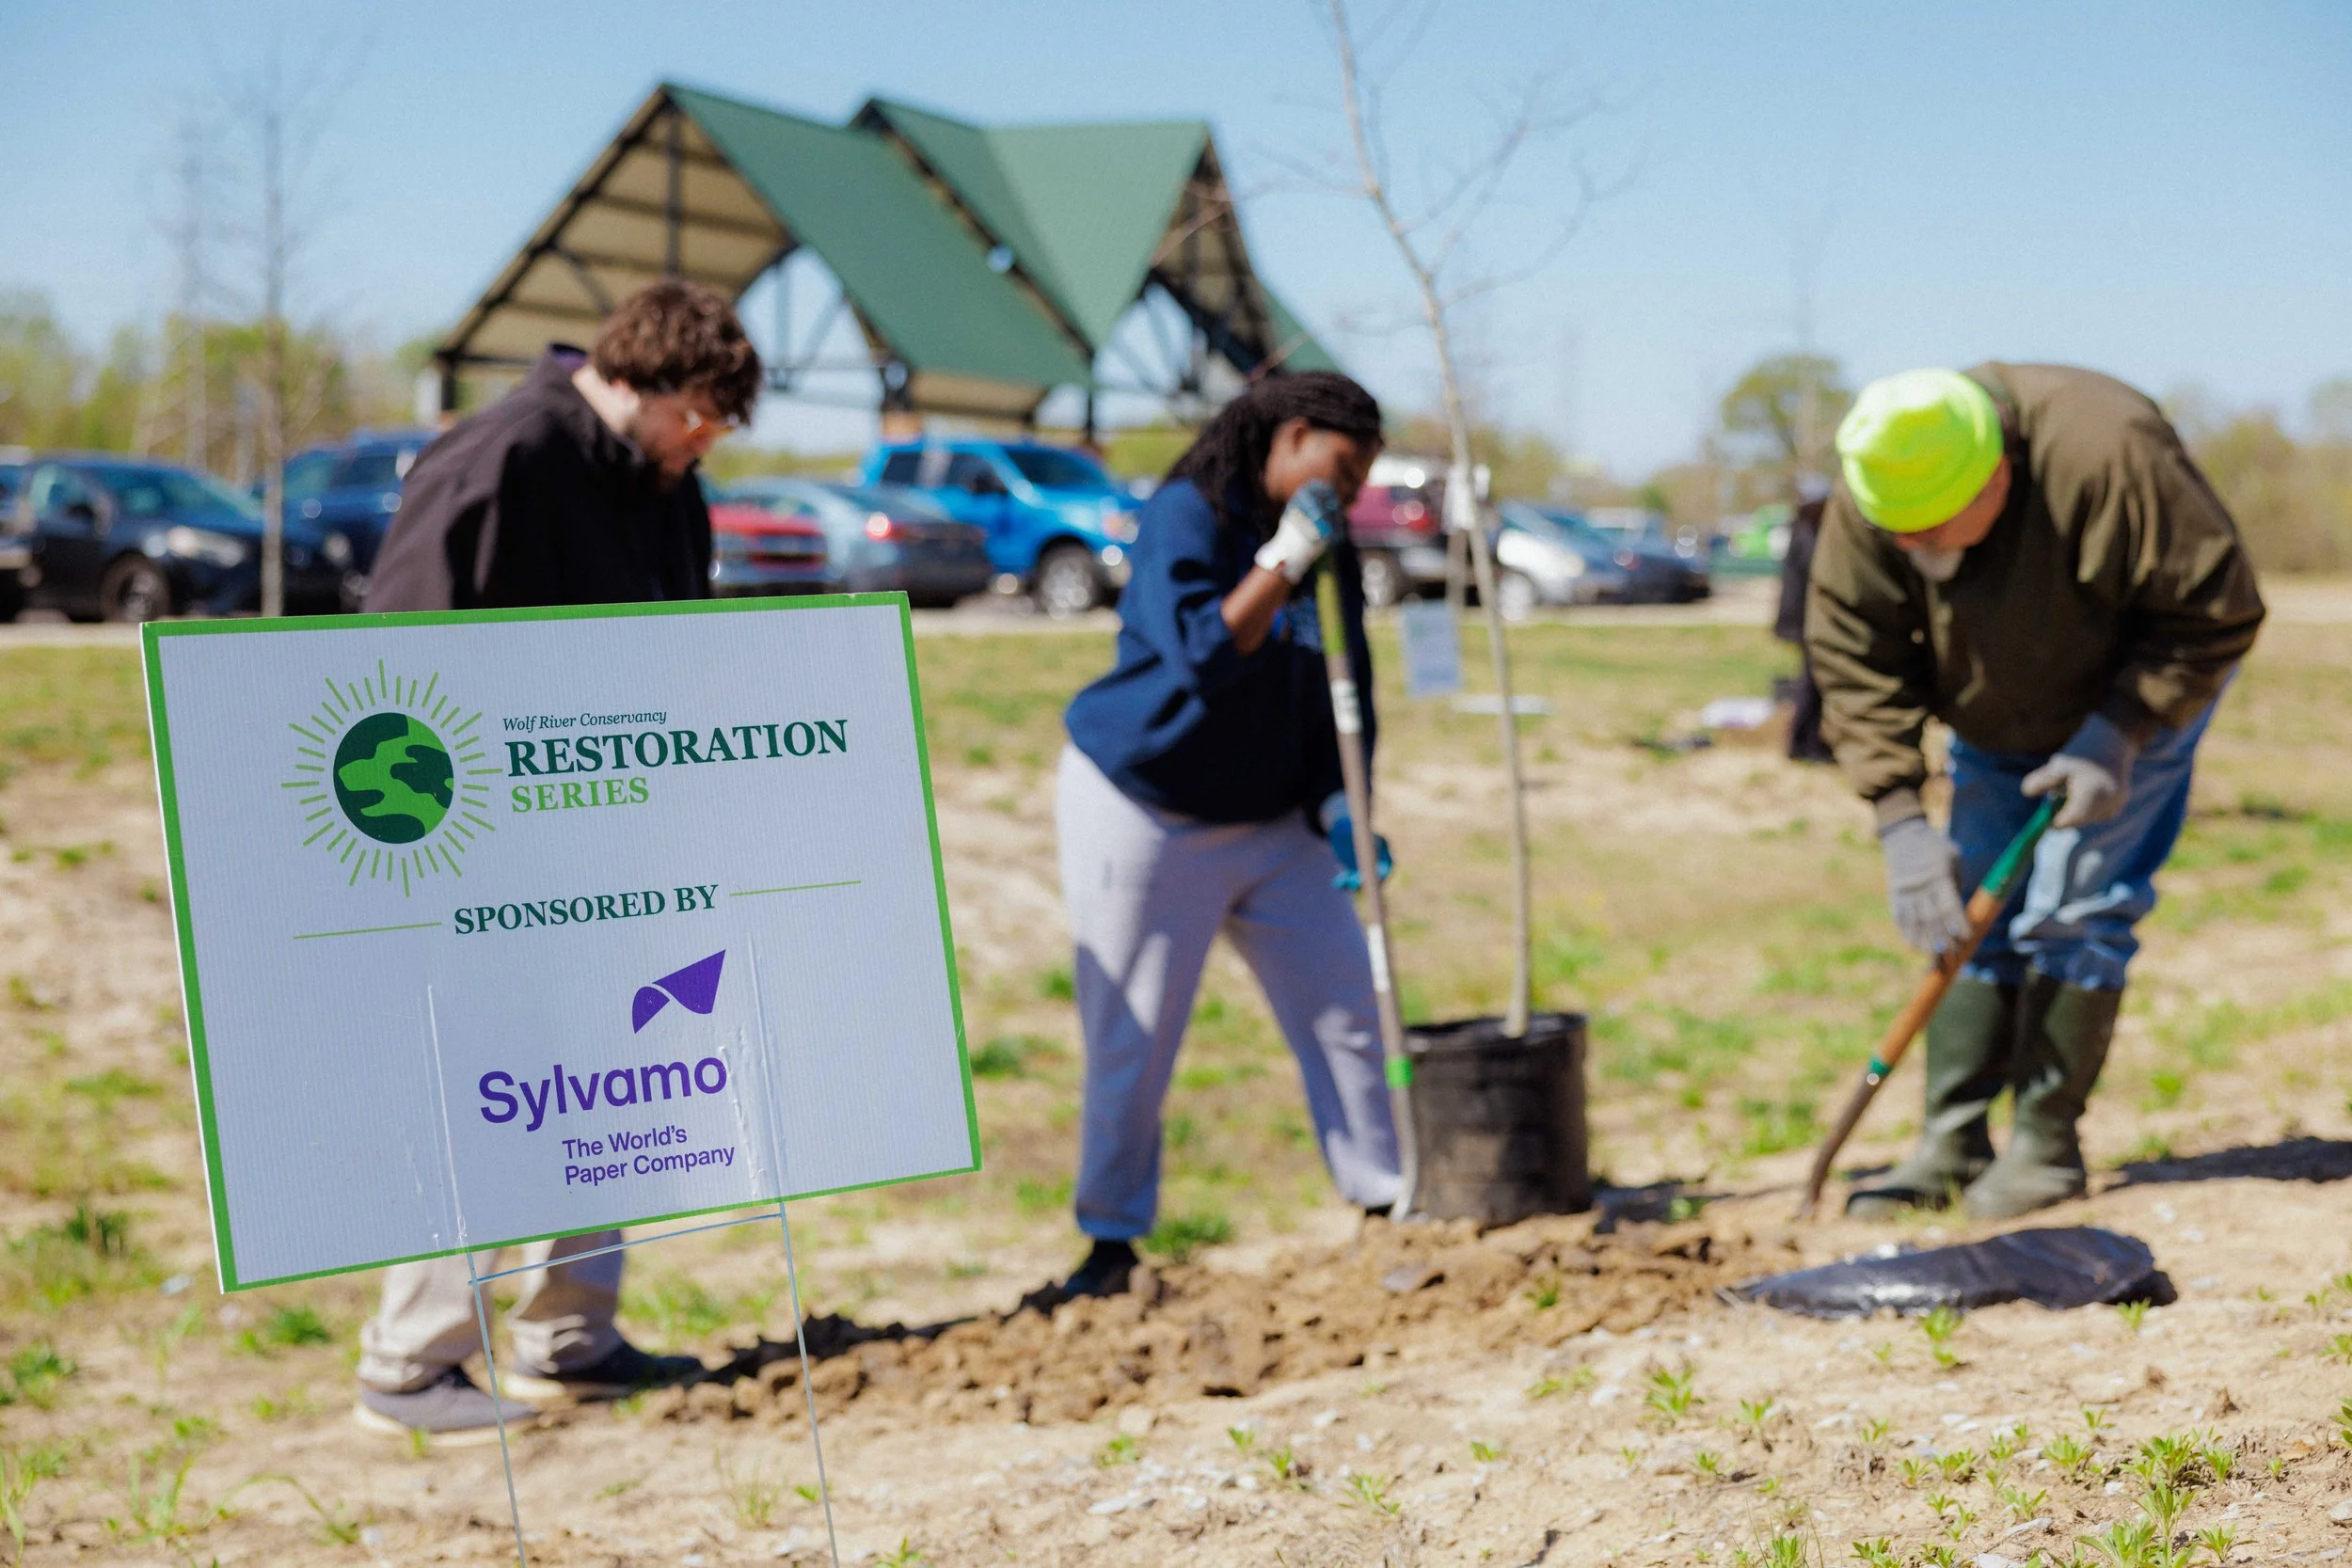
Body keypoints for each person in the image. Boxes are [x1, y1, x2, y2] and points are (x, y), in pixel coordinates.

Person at [352, 279, 761, 1440]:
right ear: (635, 378)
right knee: (488, 1092)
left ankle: (568, 1335)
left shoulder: (665, 483)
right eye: (698, 413)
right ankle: (408, 1363)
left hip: (611, 848)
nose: (707, 441)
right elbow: (393, 665)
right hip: (485, 855)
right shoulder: (501, 457)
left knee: (610, 1078)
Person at [1807, 364, 2264, 1221]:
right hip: (1994, 718)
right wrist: (1899, 817)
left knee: (2073, 904)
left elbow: (2217, 609)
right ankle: (1953, 1138)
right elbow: (1854, 660)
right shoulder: (1882, 486)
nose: (1910, 547)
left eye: (1931, 528)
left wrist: (2121, 730)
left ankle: (2046, 1145)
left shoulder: (2108, 454)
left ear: (1999, 476)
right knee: (1970, 904)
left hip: (2129, 704)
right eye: (1894, 531)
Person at [1055, 372, 1403, 1296]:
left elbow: (1346, 677)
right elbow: (1205, 653)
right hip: (1145, 806)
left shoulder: (1327, 539)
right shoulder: (1187, 513)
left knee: (1348, 1010)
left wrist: (1343, 804)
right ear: (1291, 436)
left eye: (1363, 477)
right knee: (1133, 1035)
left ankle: (1388, 1205)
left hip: (1272, 816)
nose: (1352, 491)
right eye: (1342, 465)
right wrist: (1282, 558)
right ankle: (1110, 1242)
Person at [1773, 474, 1836, 764]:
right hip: (1802, 620)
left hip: (1805, 620)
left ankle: (1810, 741)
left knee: (1813, 680)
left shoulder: (1806, 530)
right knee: (1811, 682)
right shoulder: (1805, 534)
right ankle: (1802, 744)